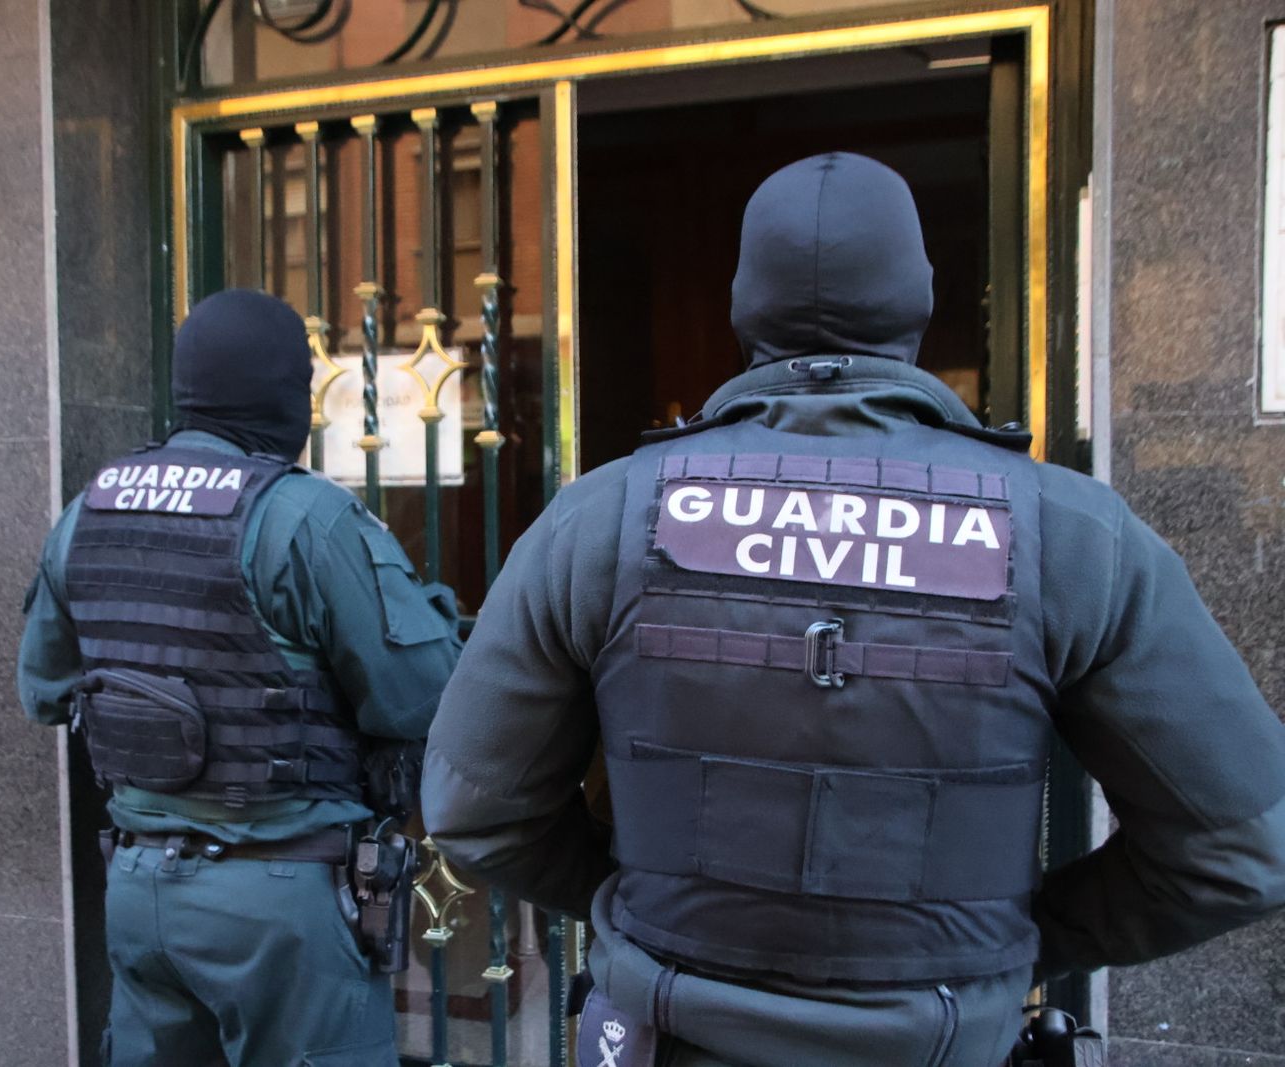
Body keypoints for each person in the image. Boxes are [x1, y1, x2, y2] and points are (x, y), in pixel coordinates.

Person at [420, 153, 1285, 1067]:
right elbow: (1241, 848)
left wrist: (648, 904)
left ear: (744, 310)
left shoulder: (599, 520)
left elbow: (477, 811)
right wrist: (1020, 935)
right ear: (918, 302)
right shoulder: (1072, 533)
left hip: (665, 1035)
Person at [18, 289, 461, 1066]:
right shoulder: (305, 518)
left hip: (139, 888)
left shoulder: (87, 511)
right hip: (279, 903)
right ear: (287, 396)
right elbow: (422, 696)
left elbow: (45, 691)